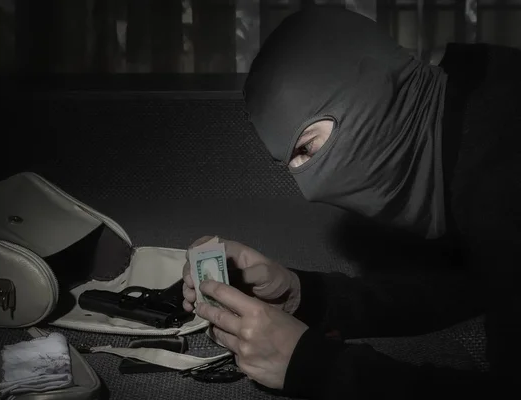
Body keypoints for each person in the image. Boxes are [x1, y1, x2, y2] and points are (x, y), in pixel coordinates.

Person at [182, 7, 521, 399]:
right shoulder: (467, 112)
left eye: (308, 148)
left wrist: (316, 367)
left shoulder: (505, 178)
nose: (307, 188)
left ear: (369, 88)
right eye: (291, 164)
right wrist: (300, 293)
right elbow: (474, 285)